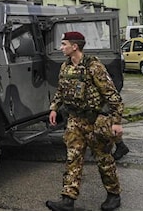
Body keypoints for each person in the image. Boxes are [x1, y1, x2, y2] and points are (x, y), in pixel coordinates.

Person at [46, 31, 123, 211]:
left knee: (103, 159)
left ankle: (114, 194)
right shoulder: (65, 67)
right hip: (75, 120)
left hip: (95, 121)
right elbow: (61, 90)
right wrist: (54, 108)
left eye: (64, 44)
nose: (61, 47)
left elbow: (112, 95)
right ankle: (68, 199)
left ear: (75, 47)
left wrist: (117, 122)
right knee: (73, 158)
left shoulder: (94, 67)